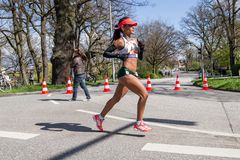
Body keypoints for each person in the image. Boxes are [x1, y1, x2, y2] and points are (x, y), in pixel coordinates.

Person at [93, 17, 152, 132]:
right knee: (144, 95)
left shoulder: (135, 41)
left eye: (133, 25)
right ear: (123, 28)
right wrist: (118, 55)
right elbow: (106, 53)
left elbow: (139, 57)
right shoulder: (120, 41)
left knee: (116, 99)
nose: (133, 27)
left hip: (132, 73)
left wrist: (142, 49)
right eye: (130, 25)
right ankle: (139, 123)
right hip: (124, 73)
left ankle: (99, 117)